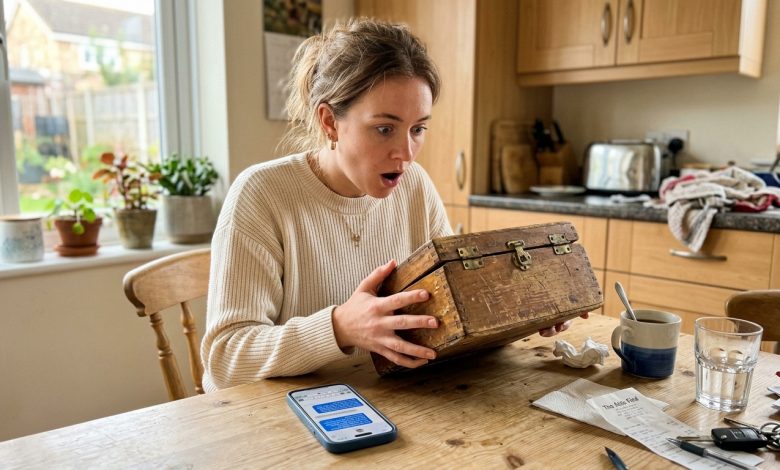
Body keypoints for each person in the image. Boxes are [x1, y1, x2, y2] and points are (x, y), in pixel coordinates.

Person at [201, 18, 581, 391]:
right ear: (330, 122)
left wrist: (523, 308)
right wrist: (339, 328)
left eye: (418, 129)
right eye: (384, 129)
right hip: (287, 415)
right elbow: (225, 360)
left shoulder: (415, 186)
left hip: (392, 399)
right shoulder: (262, 194)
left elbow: (452, 309)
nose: (406, 154)